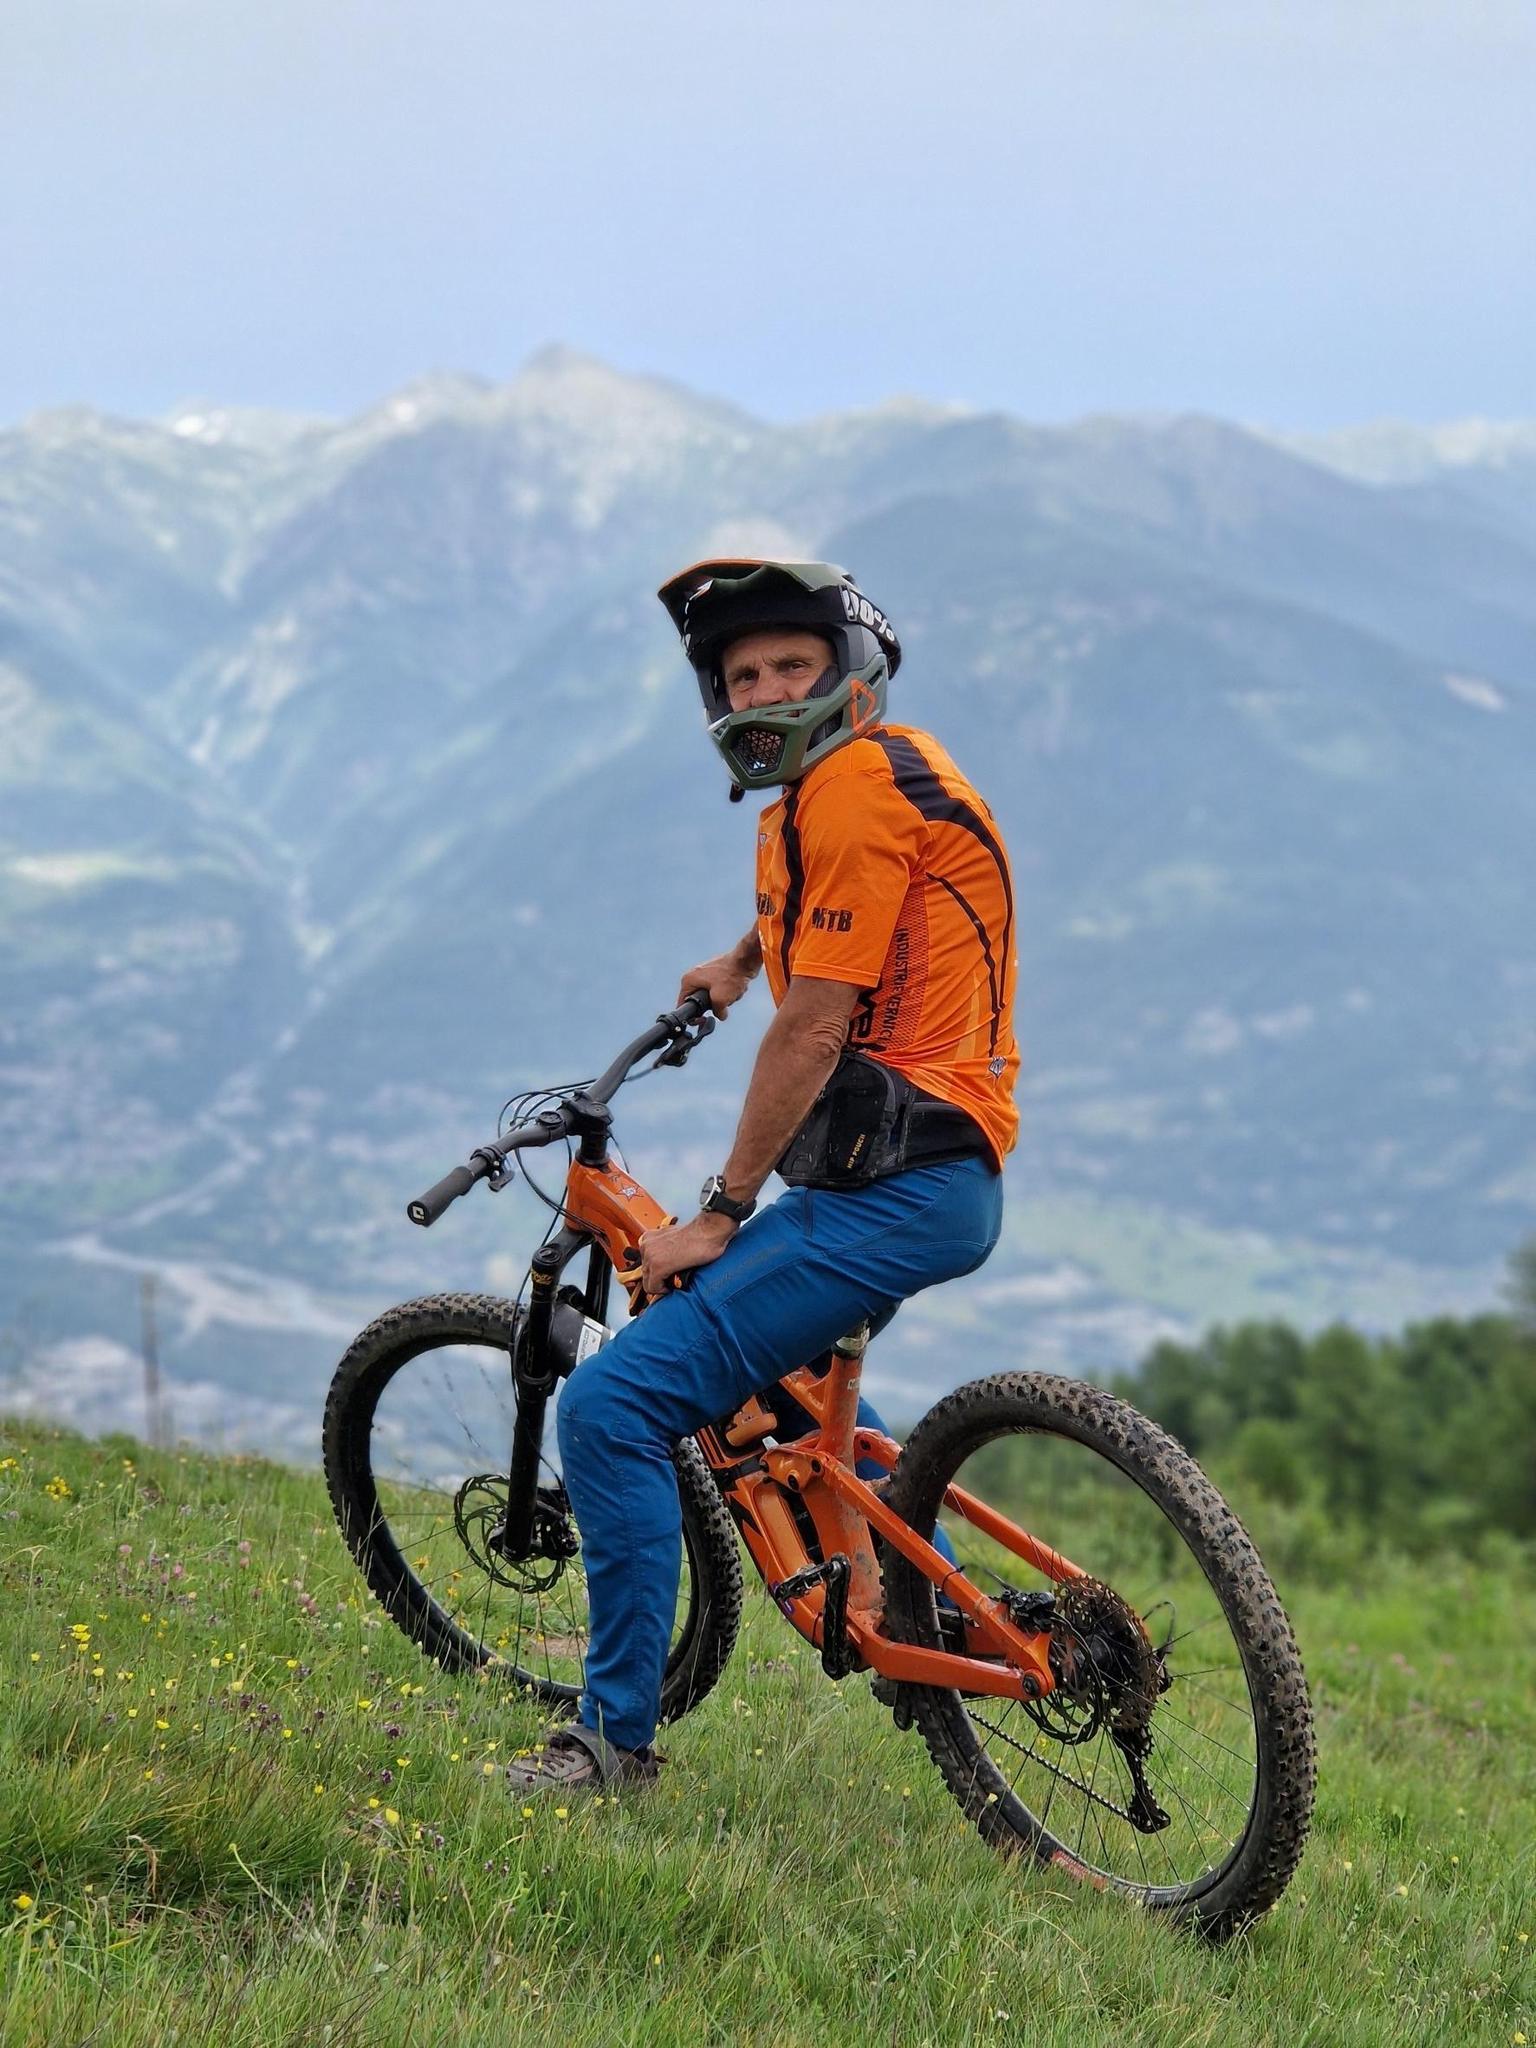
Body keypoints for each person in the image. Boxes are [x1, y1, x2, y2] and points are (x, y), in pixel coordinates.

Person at [508, 560, 1020, 1794]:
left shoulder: (845, 793)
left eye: (792, 664)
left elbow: (816, 1027)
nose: (766, 690)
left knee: (610, 1407)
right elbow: (850, 893)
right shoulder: (878, 772)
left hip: (892, 1185)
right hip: (934, 1164)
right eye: (743, 674)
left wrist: (720, 1212)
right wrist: (743, 957)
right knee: (793, 1387)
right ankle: (940, 1620)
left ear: (850, 672)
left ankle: (611, 1741)